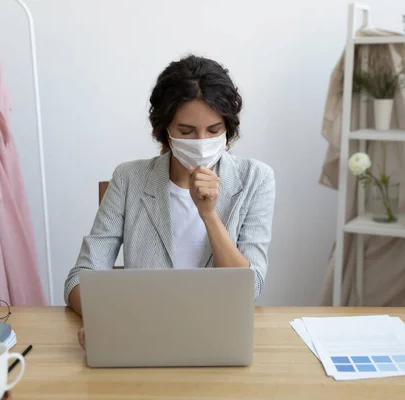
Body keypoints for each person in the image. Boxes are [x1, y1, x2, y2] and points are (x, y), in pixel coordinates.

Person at [64, 55, 276, 348]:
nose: (201, 141)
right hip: (142, 338)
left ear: (227, 128)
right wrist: (108, 318)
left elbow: (249, 289)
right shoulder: (129, 178)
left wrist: (209, 215)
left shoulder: (256, 178)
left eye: (213, 130)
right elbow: (79, 278)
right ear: (165, 130)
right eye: (186, 132)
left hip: (218, 339)